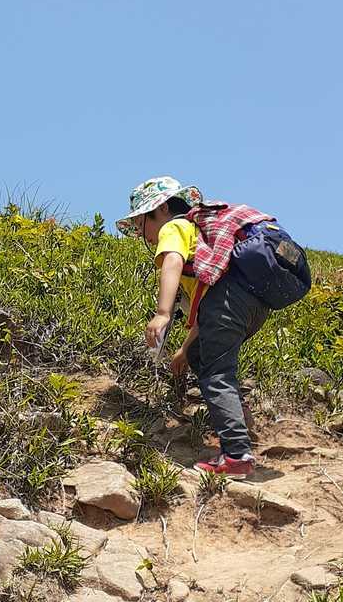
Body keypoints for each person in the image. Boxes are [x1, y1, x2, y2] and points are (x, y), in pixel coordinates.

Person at [117, 176, 310, 479]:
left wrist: (163, 313)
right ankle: (237, 415)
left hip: (228, 301)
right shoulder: (205, 241)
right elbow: (208, 310)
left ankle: (236, 456)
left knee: (217, 374)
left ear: (163, 208)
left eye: (142, 224)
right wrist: (184, 351)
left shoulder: (175, 227)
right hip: (253, 306)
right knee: (200, 354)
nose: (144, 235)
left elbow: (172, 263)